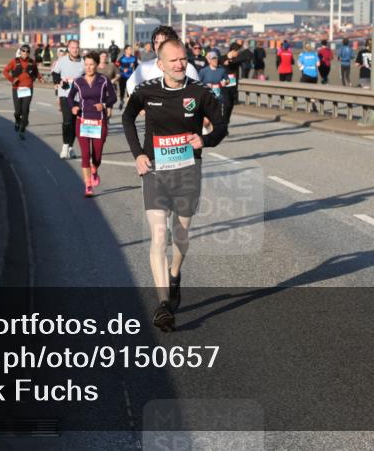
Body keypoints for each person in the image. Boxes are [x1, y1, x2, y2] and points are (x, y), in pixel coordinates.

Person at [122, 39, 228, 331]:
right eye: (173, 61)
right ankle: (164, 304)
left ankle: (175, 273)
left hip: (187, 170)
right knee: (158, 236)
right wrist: (138, 155)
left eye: (183, 59)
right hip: (155, 171)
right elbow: (127, 118)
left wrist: (204, 140)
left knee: (180, 233)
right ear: (161, 63)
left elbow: (221, 126)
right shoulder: (146, 91)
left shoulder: (200, 92)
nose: (180, 64)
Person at [68, 52, 118, 197]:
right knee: (85, 155)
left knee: (97, 155)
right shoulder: (78, 81)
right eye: (87, 64)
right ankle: (88, 185)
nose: (89, 67)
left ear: (96, 65)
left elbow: (113, 97)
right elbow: (70, 97)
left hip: (99, 121)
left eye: (91, 64)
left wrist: (104, 104)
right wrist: (73, 107)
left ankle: (94, 169)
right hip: (83, 120)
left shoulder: (103, 80)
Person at [126, 26, 200, 95]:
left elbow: (197, 93)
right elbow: (130, 84)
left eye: (163, 42)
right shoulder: (145, 67)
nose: (158, 46)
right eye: (156, 42)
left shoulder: (187, 68)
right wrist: (141, 104)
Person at [51, 40, 84, 157]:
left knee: (75, 123)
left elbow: (88, 77)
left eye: (77, 47)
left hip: (78, 97)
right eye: (73, 47)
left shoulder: (83, 62)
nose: (75, 50)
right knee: (67, 120)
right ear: (68, 49)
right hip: (65, 94)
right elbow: (55, 74)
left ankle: (70, 147)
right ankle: (65, 147)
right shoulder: (62, 61)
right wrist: (60, 81)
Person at [4, 44, 40, 139]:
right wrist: (12, 80)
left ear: (29, 53)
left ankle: (23, 130)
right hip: (17, 89)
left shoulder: (32, 62)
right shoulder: (14, 61)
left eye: (27, 51)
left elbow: (36, 72)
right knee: (17, 111)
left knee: (25, 110)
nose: (25, 53)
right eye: (23, 51)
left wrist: (40, 78)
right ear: (20, 51)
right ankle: (17, 120)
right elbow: (5, 71)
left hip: (28, 88)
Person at [221, 42, 252, 122]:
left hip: (233, 86)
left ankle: (226, 121)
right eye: (237, 51)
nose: (238, 52)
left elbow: (247, 56)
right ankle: (223, 122)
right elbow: (220, 61)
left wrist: (231, 61)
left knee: (230, 105)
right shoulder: (224, 58)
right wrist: (227, 59)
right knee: (227, 104)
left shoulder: (237, 59)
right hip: (225, 85)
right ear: (232, 51)